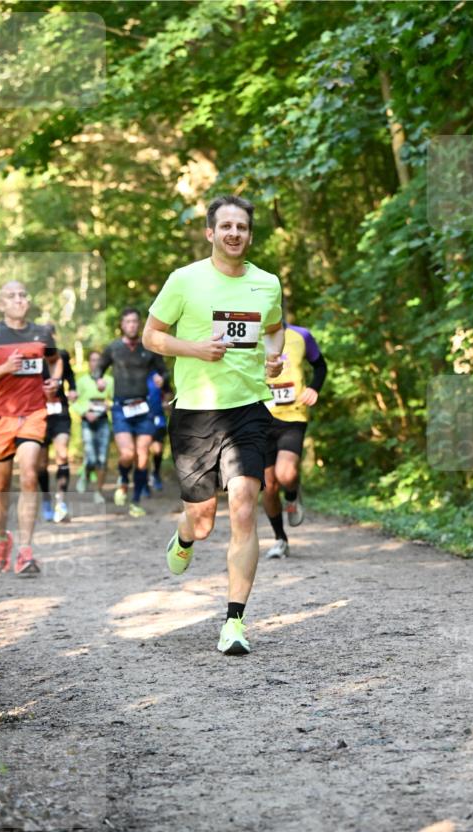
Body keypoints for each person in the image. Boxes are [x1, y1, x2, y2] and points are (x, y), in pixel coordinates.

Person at [142, 194, 284, 655]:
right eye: (225, 226)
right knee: (203, 522)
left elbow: (275, 327)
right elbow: (152, 335)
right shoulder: (185, 280)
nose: (234, 233)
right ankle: (185, 534)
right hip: (195, 413)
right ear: (210, 232)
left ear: (249, 234)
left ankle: (234, 622)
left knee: (244, 502)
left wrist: (275, 358)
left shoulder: (267, 284)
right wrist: (195, 348)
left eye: (242, 227)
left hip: (248, 409)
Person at [0, 280, 61, 574]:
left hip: (33, 414)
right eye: (12, 296)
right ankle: (1, 538)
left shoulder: (41, 334)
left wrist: (54, 383)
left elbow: (57, 361)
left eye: (23, 295)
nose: (19, 300)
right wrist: (4, 369)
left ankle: (25, 550)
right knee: (0, 486)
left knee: (30, 473)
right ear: (1, 303)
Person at [96, 307, 168, 518]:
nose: (132, 325)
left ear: (140, 323)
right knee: (127, 454)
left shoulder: (148, 348)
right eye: (128, 322)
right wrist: (99, 379)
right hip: (121, 408)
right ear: (122, 325)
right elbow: (99, 368)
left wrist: (162, 379)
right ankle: (122, 480)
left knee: (143, 456)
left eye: (135, 321)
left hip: (144, 408)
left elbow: (163, 370)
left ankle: (136, 501)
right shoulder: (114, 348)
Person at [264, 322, 328, 558]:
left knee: (286, 474)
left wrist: (314, 388)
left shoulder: (301, 335)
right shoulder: (248, 335)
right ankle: (280, 539)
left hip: (293, 416)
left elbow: (320, 365)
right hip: (259, 419)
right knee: (268, 485)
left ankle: (292, 494)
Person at [38, 333, 77, 523]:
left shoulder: (61, 356)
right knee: (41, 464)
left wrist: (73, 389)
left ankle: (60, 501)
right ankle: (45, 498)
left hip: (60, 412)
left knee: (62, 454)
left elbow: (70, 376)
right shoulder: (33, 360)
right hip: (39, 415)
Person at [71, 349, 114, 502]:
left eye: (98, 360)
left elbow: (115, 400)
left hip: (103, 421)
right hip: (87, 422)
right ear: (89, 363)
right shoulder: (82, 381)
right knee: (91, 458)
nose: (96, 363)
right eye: (93, 360)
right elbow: (74, 401)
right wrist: (84, 412)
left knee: (102, 459)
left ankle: (98, 492)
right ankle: (86, 474)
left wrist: (109, 405)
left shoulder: (109, 380)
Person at [146, 371, 168, 494]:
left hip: (158, 418)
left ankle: (155, 473)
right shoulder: (138, 371)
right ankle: (143, 481)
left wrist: (166, 402)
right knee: (142, 452)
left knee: (157, 449)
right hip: (142, 418)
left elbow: (168, 393)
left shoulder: (161, 374)